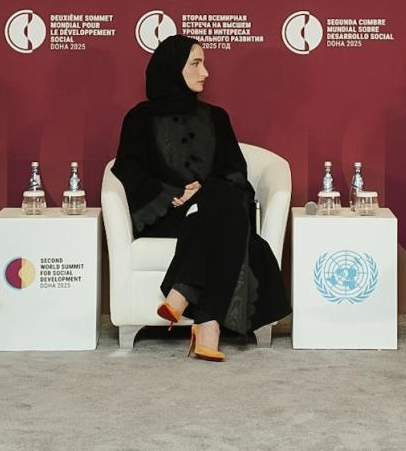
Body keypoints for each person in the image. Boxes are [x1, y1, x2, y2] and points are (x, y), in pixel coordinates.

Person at [111, 35, 290, 361]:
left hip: (214, 210)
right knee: (223, 211)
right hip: (170, 214)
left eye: (203, 63)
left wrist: (202, 193)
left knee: (221, 193)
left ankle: (186, 298)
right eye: (196, 63)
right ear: (172, 68)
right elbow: (129, 169)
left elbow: (236, 172)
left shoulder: (217, 117)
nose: (205, 72)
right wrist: (174, 194)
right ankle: (207, 325)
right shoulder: (140, 118)